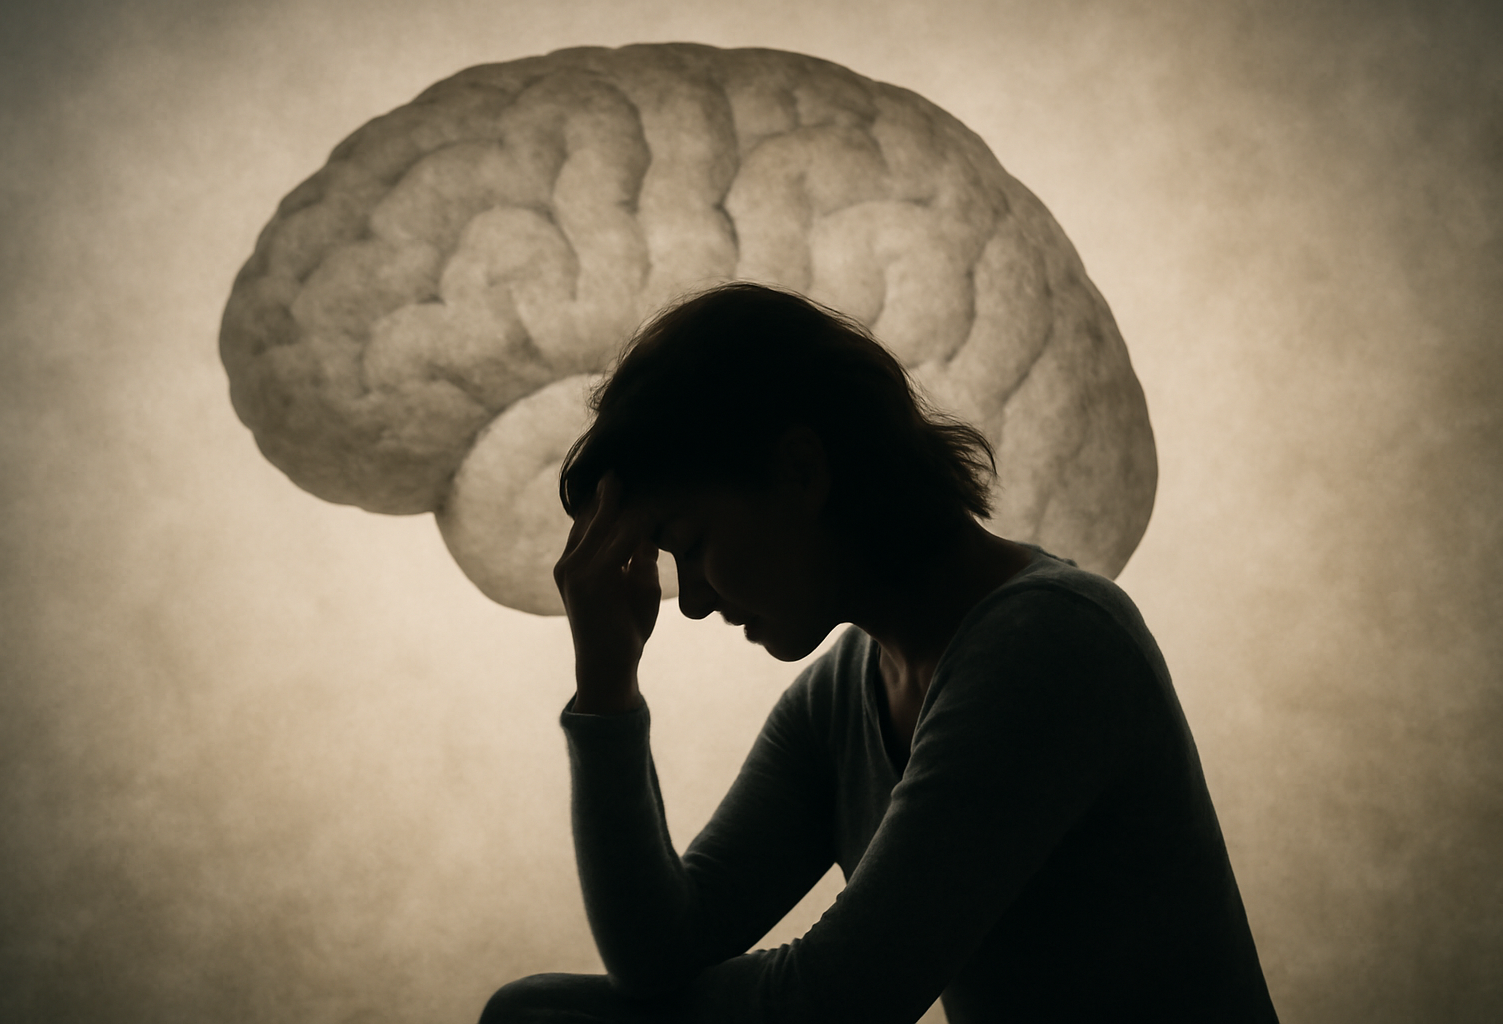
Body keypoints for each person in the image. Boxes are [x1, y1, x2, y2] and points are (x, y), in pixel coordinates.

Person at [479, 283, 1278, 1023]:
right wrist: (606, 682)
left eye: (691, 544)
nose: (689, 600)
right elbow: (659, 955)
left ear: (800, 469)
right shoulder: (842, 696)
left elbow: (840, 1000)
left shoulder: (1055, 642)